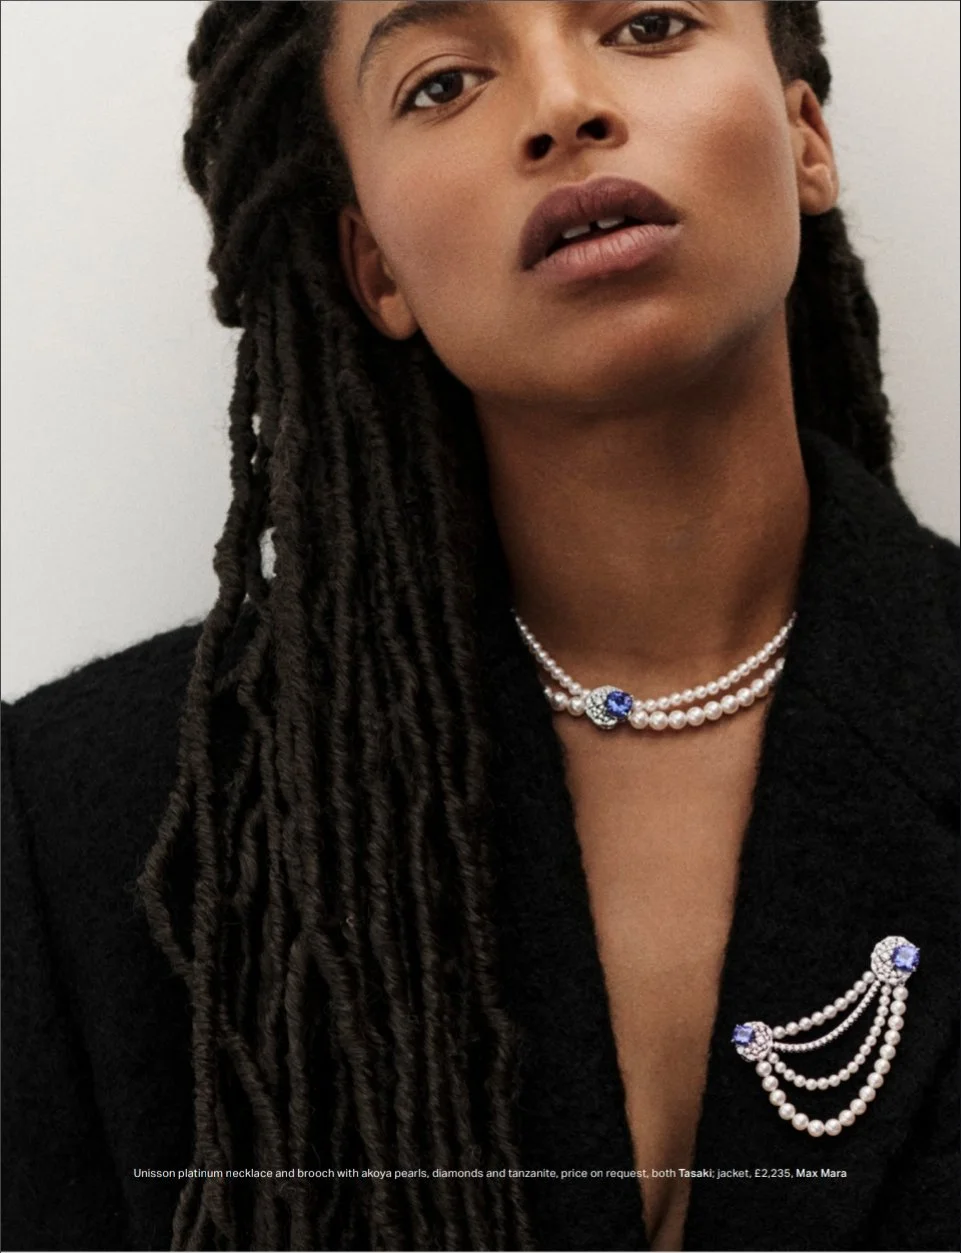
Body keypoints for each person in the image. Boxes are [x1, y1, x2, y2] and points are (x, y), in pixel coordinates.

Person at [2, 2, 958, 1250]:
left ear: (805, 137)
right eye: (442, 84)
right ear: (376, 268)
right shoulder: (89, 828)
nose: (564, 107)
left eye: (651, 23)